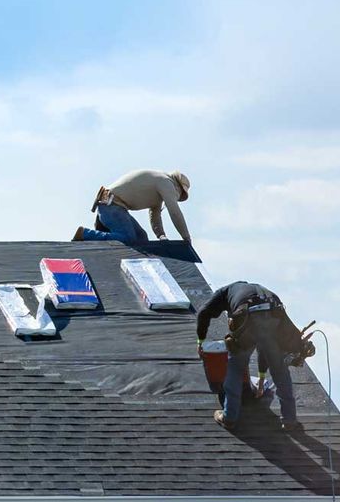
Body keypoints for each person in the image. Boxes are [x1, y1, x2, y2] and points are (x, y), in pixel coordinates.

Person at [195, 280, 309, 432]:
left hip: (247, 317)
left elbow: (203, 313)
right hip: (275, 316)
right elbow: (265, 347)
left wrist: (200, 341)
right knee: (280, 370)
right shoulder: (262, 290)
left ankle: (229, 417)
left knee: (236, 365)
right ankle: (290, 420)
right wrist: (262, 379)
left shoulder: (224, 293)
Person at [76, 169, 192, 243]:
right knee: (128, 238)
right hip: (111, 206)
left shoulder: (159, 184)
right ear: (178, 187)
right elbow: (174, 212)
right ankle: (86, 234)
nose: (177, 197)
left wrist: (161, 236)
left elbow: (155, 215)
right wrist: (186, 238)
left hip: (113, 206)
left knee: (141, 238)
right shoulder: (166, 182)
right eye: (180, 194)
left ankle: (98, 239)